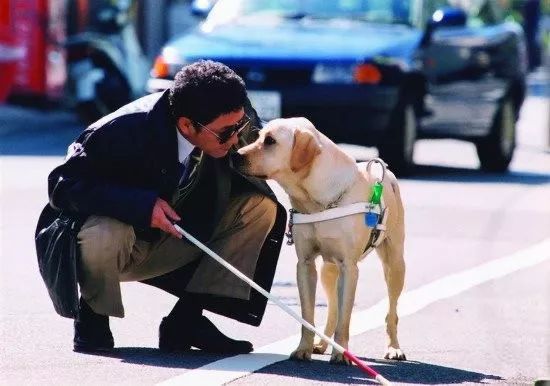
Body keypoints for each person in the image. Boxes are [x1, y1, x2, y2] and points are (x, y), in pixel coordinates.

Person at [35, 60, 286, 354]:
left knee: (259, 207)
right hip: (120, 246)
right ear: (187, 125)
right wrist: (140, 205)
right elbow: (62, 185)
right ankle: (93, 316)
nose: (235, 140)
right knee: (105, 230)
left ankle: (186, 321)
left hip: (181, 236)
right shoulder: (122, 129)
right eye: (225, 133)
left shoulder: (231, 116)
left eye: (240, 126)